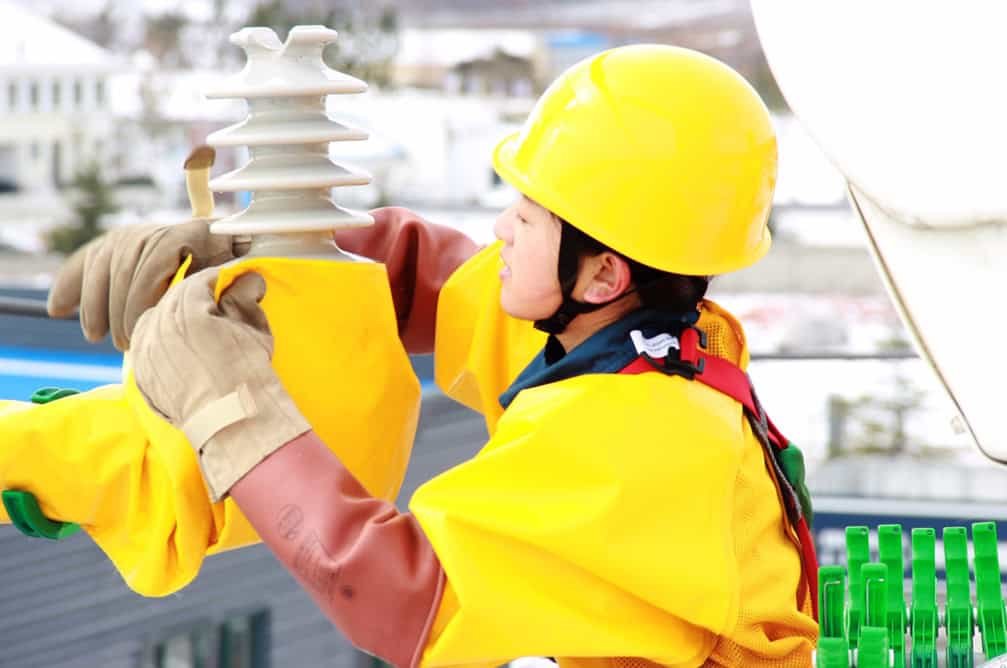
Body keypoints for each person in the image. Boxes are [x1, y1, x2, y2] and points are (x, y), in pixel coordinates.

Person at [50, 45, 818, 667]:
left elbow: (402, 599)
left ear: (603, 271)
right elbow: (429, 277)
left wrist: (232, 408)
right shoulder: (628, 335)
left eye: (525, 216)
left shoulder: (641, 435)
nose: (499, 231)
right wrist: (262, 248)